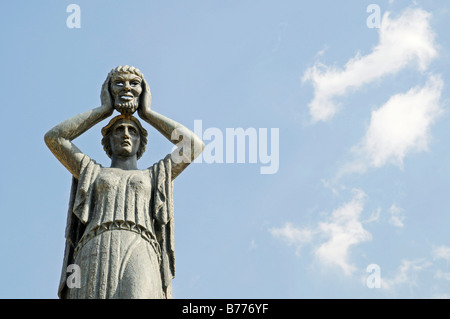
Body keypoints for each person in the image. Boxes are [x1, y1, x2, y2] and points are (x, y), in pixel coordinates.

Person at [44, 65, 204, 299]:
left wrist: (147, 113)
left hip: (140, 245)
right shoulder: (91, 171)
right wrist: (104, 109)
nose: (126, 134)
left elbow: (192, 146)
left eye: (133, 130)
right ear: (108, 141)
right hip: (94, 248)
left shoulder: (155, 174)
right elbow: (55, 138)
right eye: (118, 130)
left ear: (142, 143)